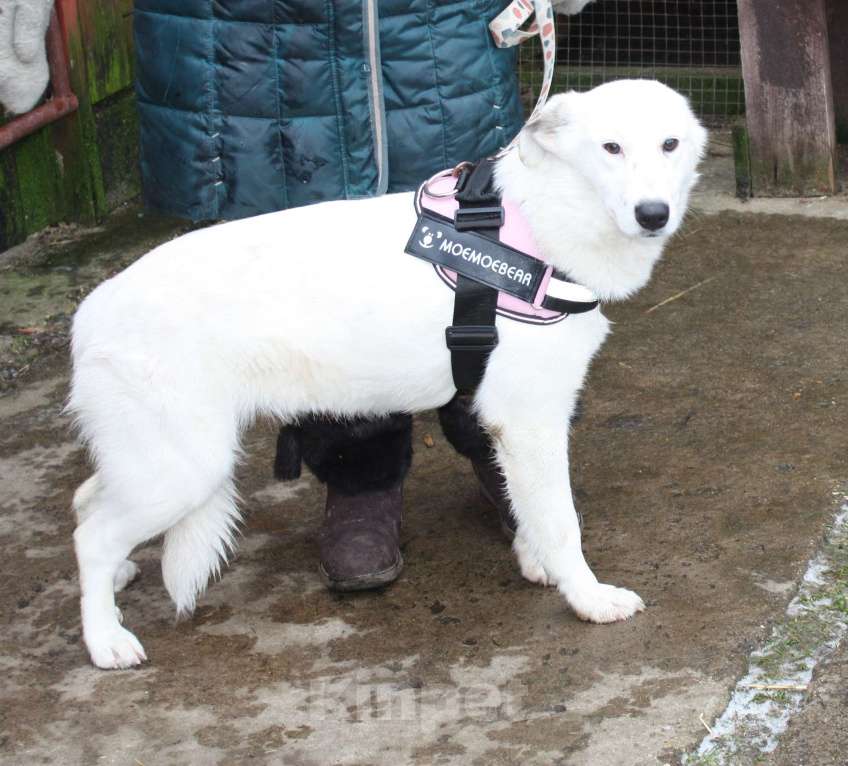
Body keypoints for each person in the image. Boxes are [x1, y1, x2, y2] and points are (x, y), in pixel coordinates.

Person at [134, 0, 578, 591]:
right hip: (258, 58)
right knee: (312, 288)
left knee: (484, 257)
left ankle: (506, 454)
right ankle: (359, 477)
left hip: (439, 47)